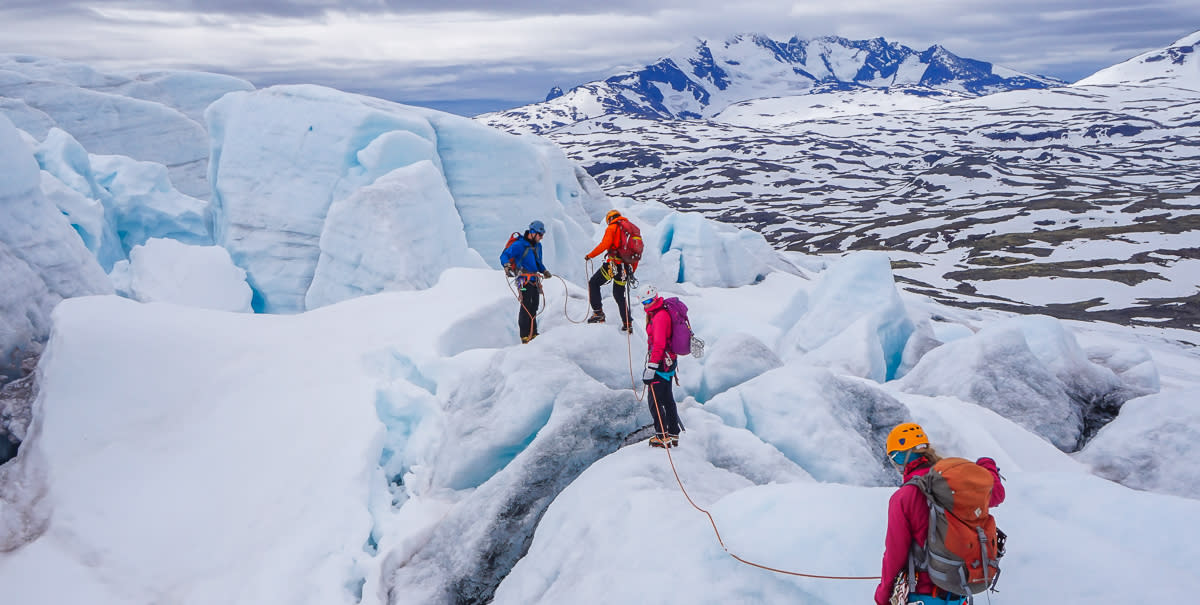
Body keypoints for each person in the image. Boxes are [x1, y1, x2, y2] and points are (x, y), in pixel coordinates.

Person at [875, 422, 1005, 605]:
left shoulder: (904, 497)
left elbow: (895, 554)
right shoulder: (954, 485)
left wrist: (883, 596)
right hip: (960, 593)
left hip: (922, 595)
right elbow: (997, 494)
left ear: (899, 458)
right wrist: (987, 466)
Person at [640, 285, 682, 448]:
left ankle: (662, 436)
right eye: (644, 302)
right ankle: (673, 433)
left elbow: (658, 344)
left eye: (649, 301)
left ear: (655, 297)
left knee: (655, 401)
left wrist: (651, 368)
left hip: (661, 364)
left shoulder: (659, 317)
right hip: (668, 362)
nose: (647, 305)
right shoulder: (660, 312)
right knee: (667, 398)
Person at [584, 210, 639, 332]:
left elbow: (604, 244)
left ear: (609, 219)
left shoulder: (613, 228)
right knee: (619, 295)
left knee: (593, 283)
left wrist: (590, 255)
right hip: (625, 268)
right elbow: (636, 254)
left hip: (613, 265)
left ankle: (598, 313)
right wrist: (631, 271)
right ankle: (627, 323)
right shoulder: (631, 230)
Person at [500, 220, 552, 344]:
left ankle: (533, 334)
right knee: (526, 306)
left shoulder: (538, 246)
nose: (542, 237)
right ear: (532, 233)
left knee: (534, 306)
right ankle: (525, 336)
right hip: (523, 281)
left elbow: (538, 262)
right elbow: (504, 255)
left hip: (534, 280)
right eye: (540, 234)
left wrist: (544, 271)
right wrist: (506, 265)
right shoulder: (519, 245)